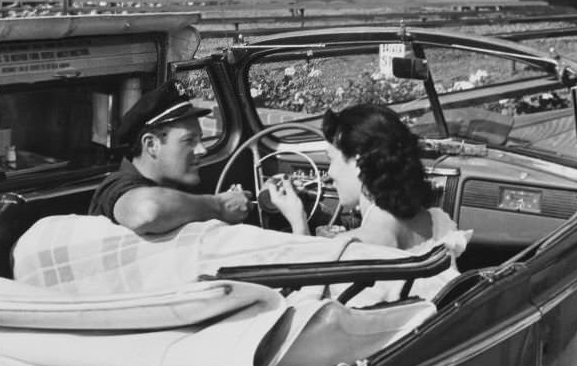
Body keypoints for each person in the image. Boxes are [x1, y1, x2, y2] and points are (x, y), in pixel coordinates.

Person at [264, 103, 459, 251]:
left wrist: (298, 223)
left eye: (331, 159)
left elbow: (306, 296)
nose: (330, 172)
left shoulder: (349, 248)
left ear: (358, 163)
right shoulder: (440, 224)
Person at [88, 80, 250, 235]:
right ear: (152, 145)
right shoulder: (116, 187)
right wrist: (219, 206)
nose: (202, 150)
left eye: (200, 139)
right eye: (189, 141)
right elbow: (148, 211)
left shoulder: (173, 186)